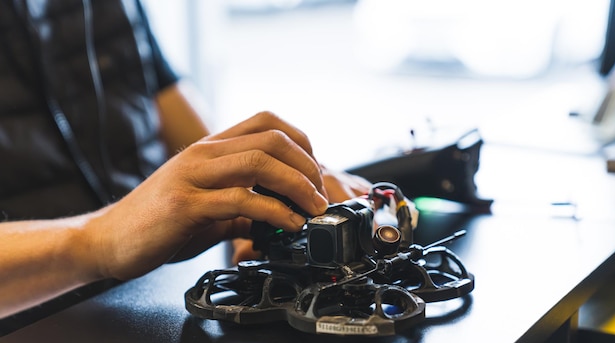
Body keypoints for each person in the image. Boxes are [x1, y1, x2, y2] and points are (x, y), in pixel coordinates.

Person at [0, 1, 369, 324]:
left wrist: (256, 197)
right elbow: (110, 233)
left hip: (138, 324)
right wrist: (100, 240)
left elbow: (190, 134)